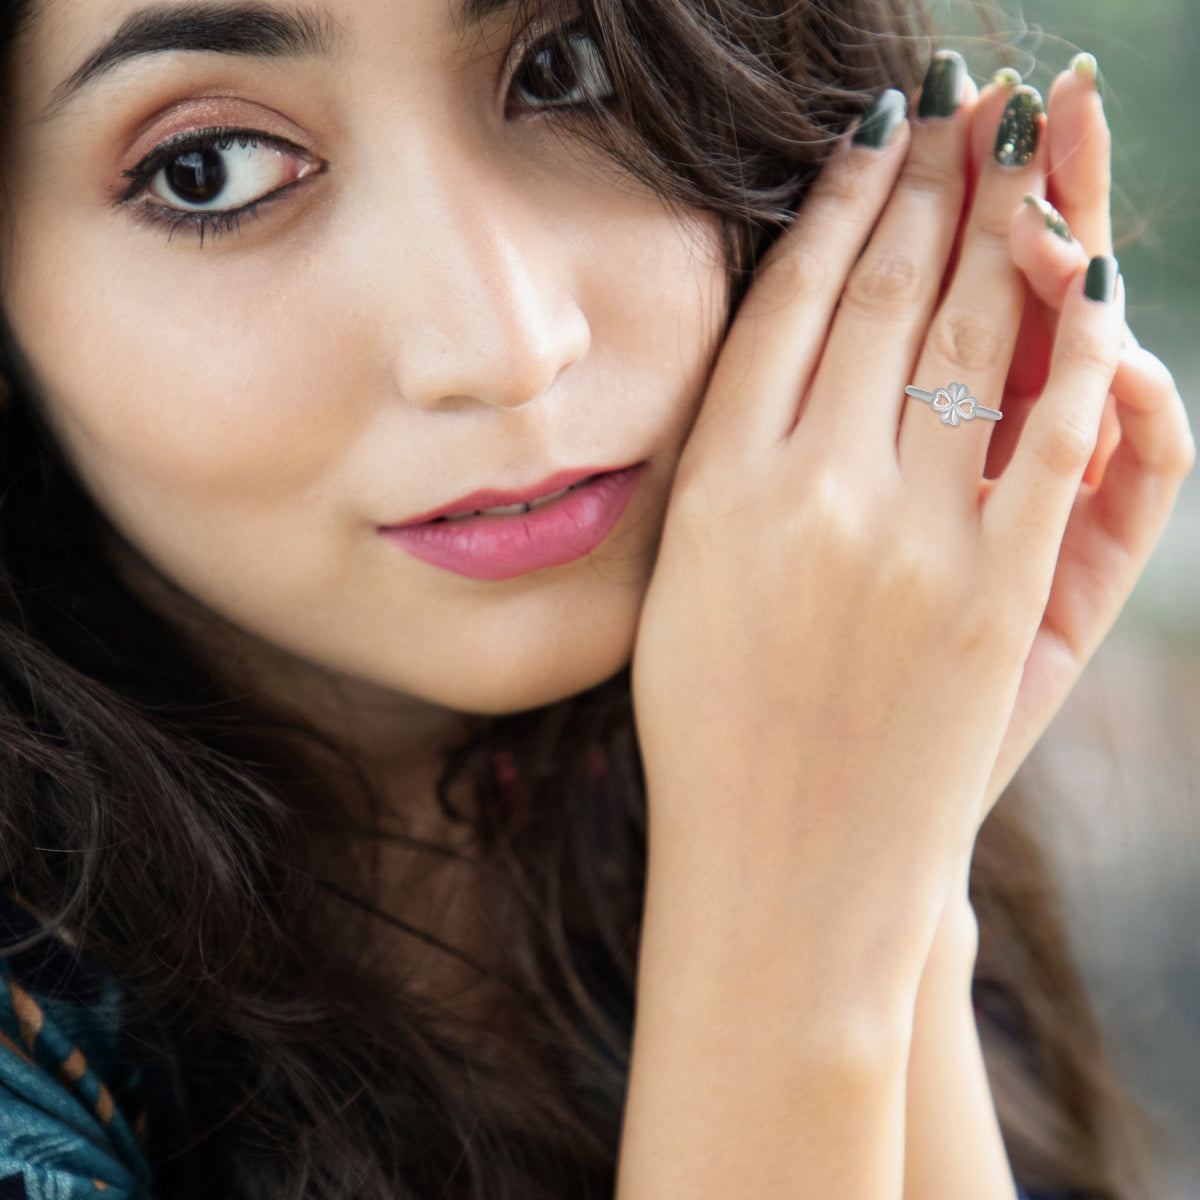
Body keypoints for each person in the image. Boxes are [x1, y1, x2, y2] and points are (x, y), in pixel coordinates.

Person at [0, 0, 1192, 1196]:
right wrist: (794, 943)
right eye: (209, 172)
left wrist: (883, 856)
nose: (508, 345)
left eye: (569, 70)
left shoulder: (752, 720)